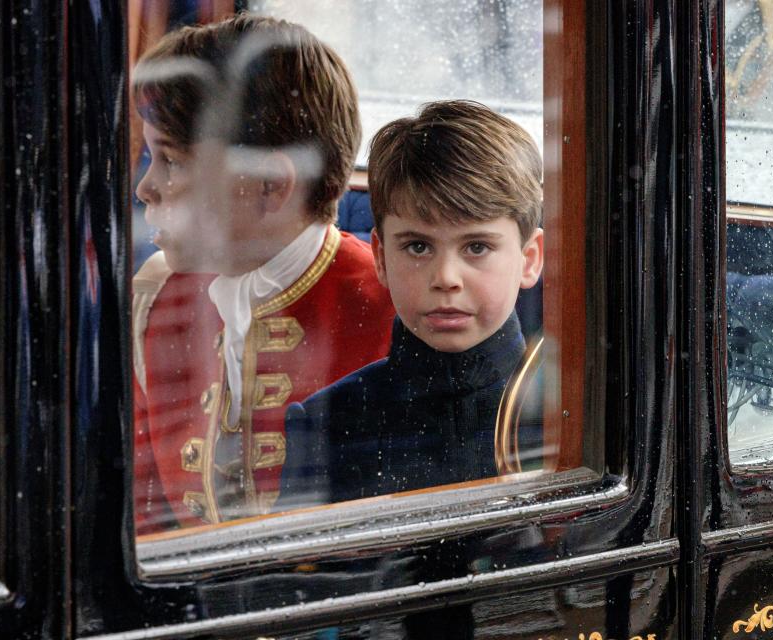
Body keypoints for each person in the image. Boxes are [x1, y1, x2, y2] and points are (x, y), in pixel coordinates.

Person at [131, 14, 396, 533]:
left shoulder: (393, 307)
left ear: (273, 185)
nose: (146, 188)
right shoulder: (155, 294)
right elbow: (147, 509)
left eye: (171, 162)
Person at [277, 100, 544, 509]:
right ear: (380, 258)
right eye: (418, 246)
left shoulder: (569, 418)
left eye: (476, 246)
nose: (445, 278)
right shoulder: (326, 424)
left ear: (528, 260)